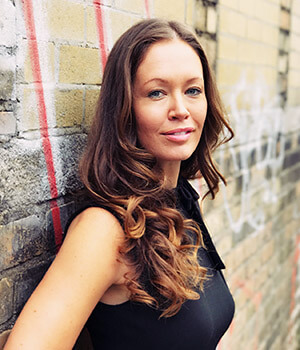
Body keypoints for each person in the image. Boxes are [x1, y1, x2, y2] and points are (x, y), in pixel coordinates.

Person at [4, 18, 235, 350]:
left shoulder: (180, 199)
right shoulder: (104, 230)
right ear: (125, 109)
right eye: (156, 92)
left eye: (193, 90)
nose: (181, 109)